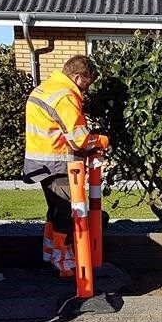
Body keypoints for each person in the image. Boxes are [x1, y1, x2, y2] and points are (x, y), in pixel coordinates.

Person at [23, 55, 109, 278]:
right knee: (68, 214)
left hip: (42, 162)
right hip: (59, 163)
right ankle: (63, 262)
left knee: (55, 210)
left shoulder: (47, 88)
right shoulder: (65, 96)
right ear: (78, 77)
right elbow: (79, 139)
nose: (87, 88)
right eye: (87, 83)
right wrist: (102, 141)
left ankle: (50, 253)